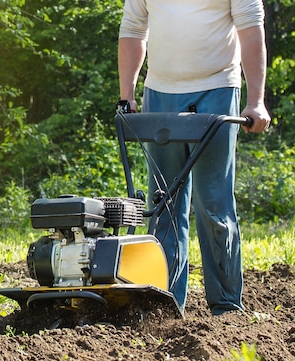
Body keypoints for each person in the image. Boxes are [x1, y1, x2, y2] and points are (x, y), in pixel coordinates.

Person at [118, 0, 271, 315]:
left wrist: (256, 100)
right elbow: (133, 31)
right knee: (164, 205)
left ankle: (226, 305)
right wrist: (127, 95)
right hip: (160, 93)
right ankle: (166, 303)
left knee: (214, 203)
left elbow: (251, 31)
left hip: (216, 90)